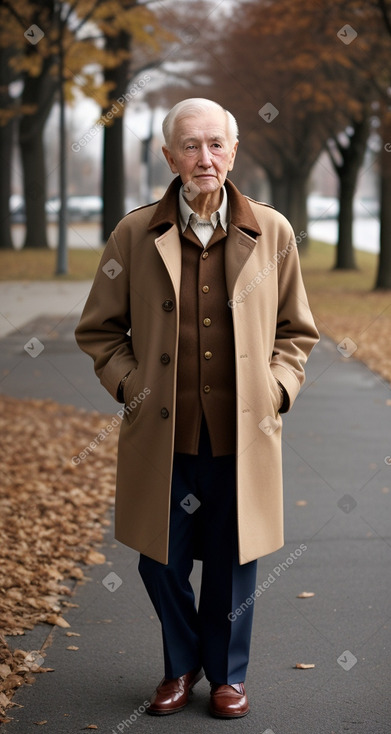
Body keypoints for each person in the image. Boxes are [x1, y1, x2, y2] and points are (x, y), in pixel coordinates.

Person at [75, 97, 319, 719]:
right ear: (168, 156)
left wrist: (276, 389)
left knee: (236, 560)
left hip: (243, 434)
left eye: (216, 144)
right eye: (190, 145)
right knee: (160, 560)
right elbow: (100, 331)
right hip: (164, 435)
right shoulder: (133, 234)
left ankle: (227, 676)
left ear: (234, 151)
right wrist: (132, 386)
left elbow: (296, 332)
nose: (204, 157)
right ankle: (181, 665)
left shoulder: (273, 231)